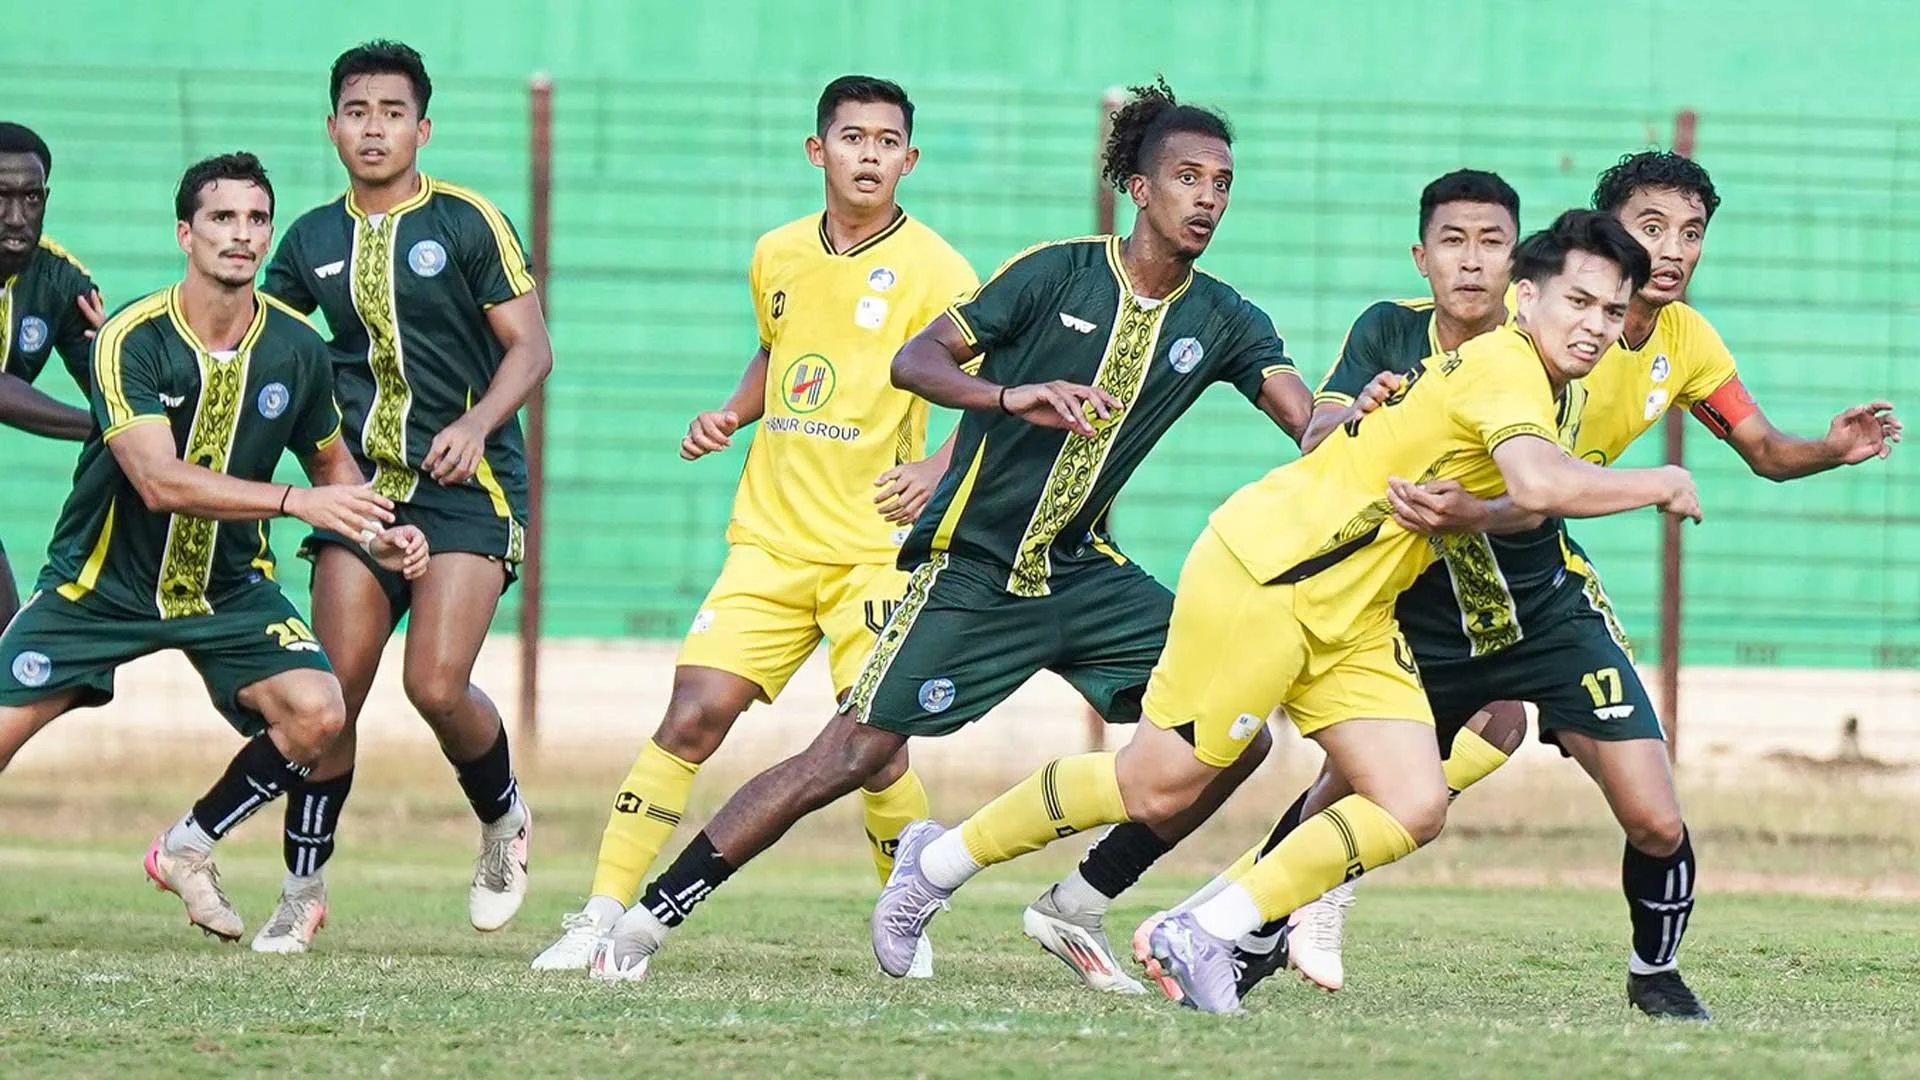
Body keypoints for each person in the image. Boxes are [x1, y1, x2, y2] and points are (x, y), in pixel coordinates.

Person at [873, 209, 1704, 1016]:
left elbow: (1519, 496)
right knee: (1153, 788)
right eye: (1579, 301)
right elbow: (1543, 484)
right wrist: (1660, 482)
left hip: (1355, 609)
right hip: (1267, 577)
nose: (1596, 325)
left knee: (1412, 802)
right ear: (1526, 297)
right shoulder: (1508, 367)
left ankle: (1206, 931)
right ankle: (937, 862)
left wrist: (1472, 511)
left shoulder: (1534, 381)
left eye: (1612, 311)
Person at [588, 78, 1313, 985]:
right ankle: (645, 921)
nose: (1207, 199)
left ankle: (1079, 901)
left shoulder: (1225, 318)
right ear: (1140, 187)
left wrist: (1358, 414)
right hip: (971, 568)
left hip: (1083, 572)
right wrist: (1011, 396)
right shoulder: (1055, 273)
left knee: (1234, 732)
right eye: (1188, 178)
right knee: (851, 754)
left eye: (1222, 183)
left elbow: (1306, 418)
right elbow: (915, 359)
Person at [1218, 151, 1901, 1021]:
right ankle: (1247, 932)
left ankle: (1656, 974)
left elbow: (1762, 449)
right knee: (1357, 782)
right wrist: (1379, 419)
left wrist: (1829, 450)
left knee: (1655, 816)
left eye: (1691, 233)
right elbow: (1507, 471)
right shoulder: (1538, 336)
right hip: (1430, 587)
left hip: (1543, 590)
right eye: (1651, 228)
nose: (1673, 250)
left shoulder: (1685, 340)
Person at [530, 75, 979, 975]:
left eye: (887, 142)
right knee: (692, 715)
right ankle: (600, 915)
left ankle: (906, 923)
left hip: (874, 552)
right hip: (769, 542)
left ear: (910, 160)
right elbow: (778, 351)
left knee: (876, 750)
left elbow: (990, 392)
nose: (869, 155)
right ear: (819, 151)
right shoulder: (777, 252)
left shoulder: (942, 270)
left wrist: (936, 470)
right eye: (852, 138)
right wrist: (734, 414)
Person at [0, 152, 426, 942]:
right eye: (222, 217)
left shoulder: (296, 348)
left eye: (257, 219)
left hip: (229, 589)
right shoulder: (129, 337)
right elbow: (158, 481)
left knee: (319, 713)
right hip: (99, 586)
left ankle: (187, 847)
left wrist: (383, 530)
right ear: (185, 234)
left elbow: (335, 469)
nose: (242, 234)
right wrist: (296, 503)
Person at [260, 40, 554, 951]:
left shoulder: (467, 221)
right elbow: (271, 353)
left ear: (422, 129)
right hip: (359, 493)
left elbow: (532, 348)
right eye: (358, 112)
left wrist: (478, 425)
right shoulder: (308, 240)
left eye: (392, 113)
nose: (374, 128)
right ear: (332, 127)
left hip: (467, 490)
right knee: (331, 694)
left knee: (434, 683)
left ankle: (504, 822)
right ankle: (302, 890)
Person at [0, 121, 106, 629]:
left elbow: (115, 391)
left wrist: (120, 354)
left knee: (6, 639)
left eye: (31, 198)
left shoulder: (60, 281)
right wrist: (103, 428)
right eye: (0, 198)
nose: (16, 217)